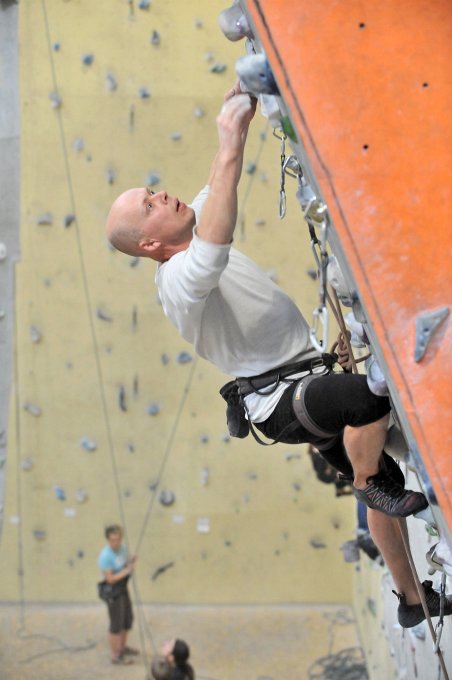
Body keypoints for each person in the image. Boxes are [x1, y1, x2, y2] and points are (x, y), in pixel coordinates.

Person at [105, 85, 452, 628]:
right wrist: (227, 141)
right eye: (149, 205)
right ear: (149, 245)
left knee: (386, 468)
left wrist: (242, 114)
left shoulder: (193, 229)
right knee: (367, 403)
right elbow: (216, 237)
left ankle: (411, 599)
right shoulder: (176, 279)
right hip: (281, 399)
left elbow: (217, 185)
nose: (162, 195)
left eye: (153, 191)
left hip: (301, 380)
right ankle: (369, 483)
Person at [98, 524, 138, 665]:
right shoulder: (105, 556)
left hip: (122, 589)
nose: (116, 542)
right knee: (116, 625)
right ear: (108, 540)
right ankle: (115, 656)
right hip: (112, 592)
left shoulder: (123, 548)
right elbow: (110, 579)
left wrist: (131, 562)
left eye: (118, 539)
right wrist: (127, 571)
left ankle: (122, 648)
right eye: (113, 540)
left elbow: (123, 564)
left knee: (127, 621)